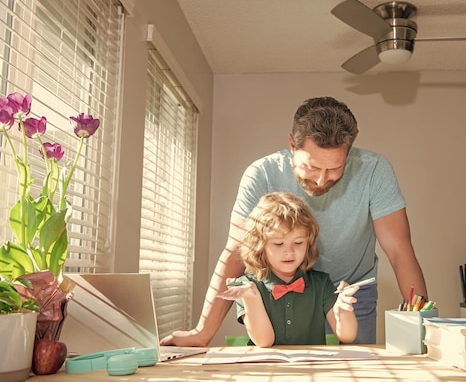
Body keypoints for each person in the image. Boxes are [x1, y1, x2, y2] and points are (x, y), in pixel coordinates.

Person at [160, 96, 427, 346]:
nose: (322, 180)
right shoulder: (261, 173)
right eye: (311, 167)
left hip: (349, 292)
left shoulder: (375, 170)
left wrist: (424, 328)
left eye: (335, 168)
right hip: (281, 291)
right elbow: (236, 251)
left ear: (349, 152)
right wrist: (202, 333)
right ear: (292, 145)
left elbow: (399, 250)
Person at [216, 192, 358, 347]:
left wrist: (343, 309)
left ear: (308, 243)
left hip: (311, 368)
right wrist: (252, 298)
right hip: (266, 369)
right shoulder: (247, 287)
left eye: (298, 243)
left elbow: (347, 336)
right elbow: (264, 341)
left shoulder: (321, 284)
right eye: (278, 244)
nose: (289, 251)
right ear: (259, 246)